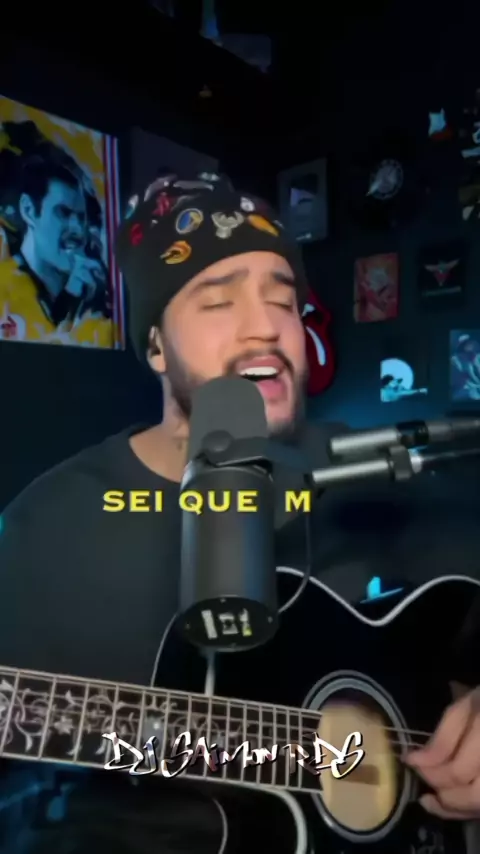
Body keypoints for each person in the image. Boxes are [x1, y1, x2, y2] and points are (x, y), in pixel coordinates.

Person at [0, 173, 479, 853]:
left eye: (284, 301)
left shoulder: (380, 476)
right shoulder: (44, 531)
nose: (266, 328)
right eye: (219, 301)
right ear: (156, 346)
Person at [0, 153, 114, 347]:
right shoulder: (5, 290)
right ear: (28, 210)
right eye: (63, 212)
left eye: (81, 217)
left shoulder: (89, 292)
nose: (79, 230)